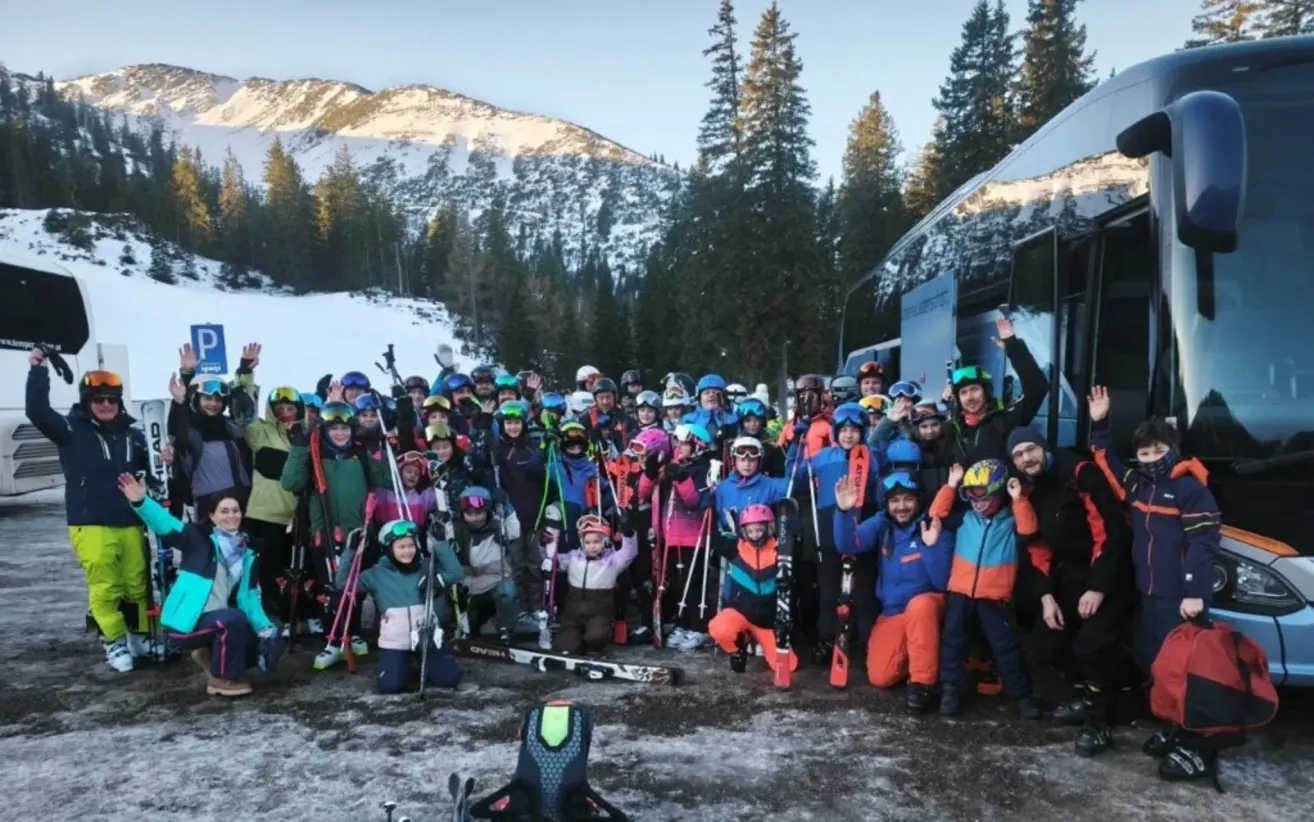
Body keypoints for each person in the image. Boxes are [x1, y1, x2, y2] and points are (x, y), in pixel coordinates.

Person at [1088, 386, 1223, 782]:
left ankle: (1199, 747)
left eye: (1158, 451)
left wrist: (1196, 592)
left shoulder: (1191, 490)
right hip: (1148, 595)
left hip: (1181, 600)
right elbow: (1107, 463)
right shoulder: (1139, 485)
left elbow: (1203, 542)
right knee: (1155, 666)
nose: (1150, 459)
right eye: (1144, 453)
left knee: (1190, 672)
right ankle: (1174, 727)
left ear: (1173, 450)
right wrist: (1100, 423)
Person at [26, 350, 158, 672]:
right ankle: (113, 640)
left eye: (112, 400)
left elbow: (150, 474)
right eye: (98, 399)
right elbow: (38, 412)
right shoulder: (71, 430)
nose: (106, 405)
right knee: (106, 586)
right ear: (87, 401)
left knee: (137, 583)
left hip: (131, 520)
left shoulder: (135, 435)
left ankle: (140, 635)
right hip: (90, 522)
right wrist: (38, 370)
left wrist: (161, 461)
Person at [1007, 425, 1133, 757]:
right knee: (1046, 640)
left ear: (1043, 447)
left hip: (1107, 573)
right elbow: (1037, 547)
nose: (1026, 458)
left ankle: (1099, 721)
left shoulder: (1079, 472)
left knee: (1092, 646)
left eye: (1030, 449)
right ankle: (1084, 695)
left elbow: (1112, 531)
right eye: (1018, 455)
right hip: (1069, 575)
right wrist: (1046, 596)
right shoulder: (1030, 490)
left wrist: (1098, 587)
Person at [117, 473, 281, 697]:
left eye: (235, 511)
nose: (231, 516)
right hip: (187, 622)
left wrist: (266, 629)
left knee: (253, 634)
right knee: (233, 620)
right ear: (212, 516)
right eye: (224, 511)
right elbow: (166, 525)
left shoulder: (247, 553)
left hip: (216, 620)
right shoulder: (198, 539)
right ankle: (221, 679)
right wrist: (141, 502)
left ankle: (207, 654)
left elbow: (248, 597)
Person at [281, 399, 391, 670]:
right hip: (326, 532)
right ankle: (333, 640)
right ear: (325, 430)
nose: (340, 434)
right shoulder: (315, 454)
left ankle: (353, 632)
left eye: (344, 428)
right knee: (331, 587)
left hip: (358, 532)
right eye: (334, 429)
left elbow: (385, 479)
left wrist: (381, 448)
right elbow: (290, 482)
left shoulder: (359, 453)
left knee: (354, 587)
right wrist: (299, 447)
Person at [929, 459, 1044, 719]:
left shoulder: (1011, 520)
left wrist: (1019, 499)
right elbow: (937, 514)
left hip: (994, 595)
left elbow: (1029, 530)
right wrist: (951, 485)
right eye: (970, 496)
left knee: (1005, 646)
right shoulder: (966, 518)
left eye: (983, 496)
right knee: (953, 642)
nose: (977, 503)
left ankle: (1022, 695)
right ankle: (950, 689)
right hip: (960, 590)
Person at [834, 472, 951, 712]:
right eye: (895, 501)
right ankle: (924, 656)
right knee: (880, 677)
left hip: (928, 606)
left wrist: (930, 546)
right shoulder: (882, 523)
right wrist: (845, 513)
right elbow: (847, 545)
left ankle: (923, 684)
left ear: (919, 500)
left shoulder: (934, 525)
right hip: (893, 611)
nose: (902, 507)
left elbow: (942, 581)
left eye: (908, 499)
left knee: (920, 606)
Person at [336, 519, 464, 694]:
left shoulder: (426, 567)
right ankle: (400, 664)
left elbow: (456, 574)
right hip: (396, 641)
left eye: (411, 545)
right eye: (401, 547)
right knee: (390, 686)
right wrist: (350, 551)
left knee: (450, 679)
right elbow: (343, 583)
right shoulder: (376, 574)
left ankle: (426, 662)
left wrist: (440, 544)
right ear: (389, 548)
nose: (408, 551)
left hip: (426, 638)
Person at [706, 504, 799, 677]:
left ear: (769, 528)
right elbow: (714, 538)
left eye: (759, 530)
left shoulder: (781, 549)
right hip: (741, 609)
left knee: (789, 667)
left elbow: (797, 562)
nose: (755, 535)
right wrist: (709, 507)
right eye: (750, 531)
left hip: (767, 618)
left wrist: (793, 530)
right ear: (744, 532)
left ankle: (753, 637)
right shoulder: (736, 548)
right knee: (718, 628)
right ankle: (738, 649)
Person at [942, 315, 1049, 466]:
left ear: (986, 392)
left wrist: (1013, 346)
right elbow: (924, 442)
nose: (970, 397)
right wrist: (900, 421)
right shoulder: (954, 428)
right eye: (963, 393)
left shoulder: (1005, 420)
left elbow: (1038, 387)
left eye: (974, 389)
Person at [554, 514, 639, 654]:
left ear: (604, 541)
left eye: (596, 542)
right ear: (582, 543)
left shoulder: (611, 561)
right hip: (573, 613)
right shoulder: (574, 557)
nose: (592, 546)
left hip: (599, 612)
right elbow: (553, 561)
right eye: (587, 543)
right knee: (566, 647)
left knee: (596, 636)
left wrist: (628, 534)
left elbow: (629, 553)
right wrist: (546, 545)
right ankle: (575, 640)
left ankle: (593, 643)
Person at [450, 486, 521, 642]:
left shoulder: (497, 525)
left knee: (507, 592)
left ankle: (506, 627)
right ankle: (467, 628)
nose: (474, 518)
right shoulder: (457, 528)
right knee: (471, 617)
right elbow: (434, 544)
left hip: (495, 578)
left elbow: (514, 531)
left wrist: (507, 506)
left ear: (488, 511)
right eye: (469, 514)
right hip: (468, 582)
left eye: (479, 513)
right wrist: (438, 524)